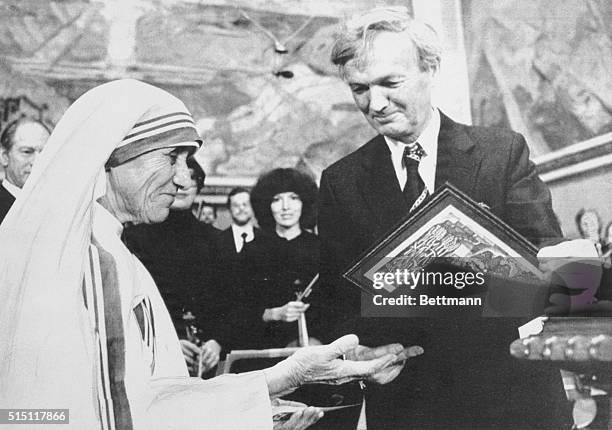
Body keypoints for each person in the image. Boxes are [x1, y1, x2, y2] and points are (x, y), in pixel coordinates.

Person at [0, 79, 412, 430]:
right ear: (109, 158)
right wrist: (268, 390)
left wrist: (278, 382)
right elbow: (115, 418)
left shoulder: (105, 252)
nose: (183, 180)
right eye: (171, 157)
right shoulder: (94, 263)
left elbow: (141, 401)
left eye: (188, 160)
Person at [318, 7, 567, 429]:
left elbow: (559, 277)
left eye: (390, 83)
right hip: (410, 404)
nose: (374, 104)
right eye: (359, 89)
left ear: (429, 68)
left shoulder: (501, 154)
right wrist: (361, 352)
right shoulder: (340, 182)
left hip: (511, 399)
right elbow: (334, 302)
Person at [123, 156, 223, 376]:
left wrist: (216, 342)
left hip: (206, 358)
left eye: (192, 178)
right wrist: (169, 342)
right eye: (176, 178)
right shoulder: (134, 238)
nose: (184, 184)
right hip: (154, 355)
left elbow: (229, 301)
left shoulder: (217, 240)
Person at [241, 168, 320, 349]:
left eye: (293, 198)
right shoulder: (253, 251)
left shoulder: (321, 249)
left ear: (305, 202)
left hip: (316, 349)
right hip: (266, 350)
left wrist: (318, 341)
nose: (285, 207)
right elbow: (238, 310)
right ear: (267, 205)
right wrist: (274, 313)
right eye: (277, 199)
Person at [0, 117, 50, 223]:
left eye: (45, 153)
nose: (38, 162)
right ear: (4, 157)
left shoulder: (59, 207)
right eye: (27, 152)